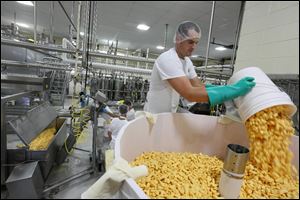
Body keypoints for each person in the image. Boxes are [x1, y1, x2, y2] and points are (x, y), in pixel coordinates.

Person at [144, 21, 256, 114]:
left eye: (196, 42)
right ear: (178, 39)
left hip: (170, 112)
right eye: (190, 42)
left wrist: (228, 88)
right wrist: (234, 90)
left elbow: (198, 86)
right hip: (155, 116)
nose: (194, 46)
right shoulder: (168, 59)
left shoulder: (187, 62)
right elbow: (190, 93)